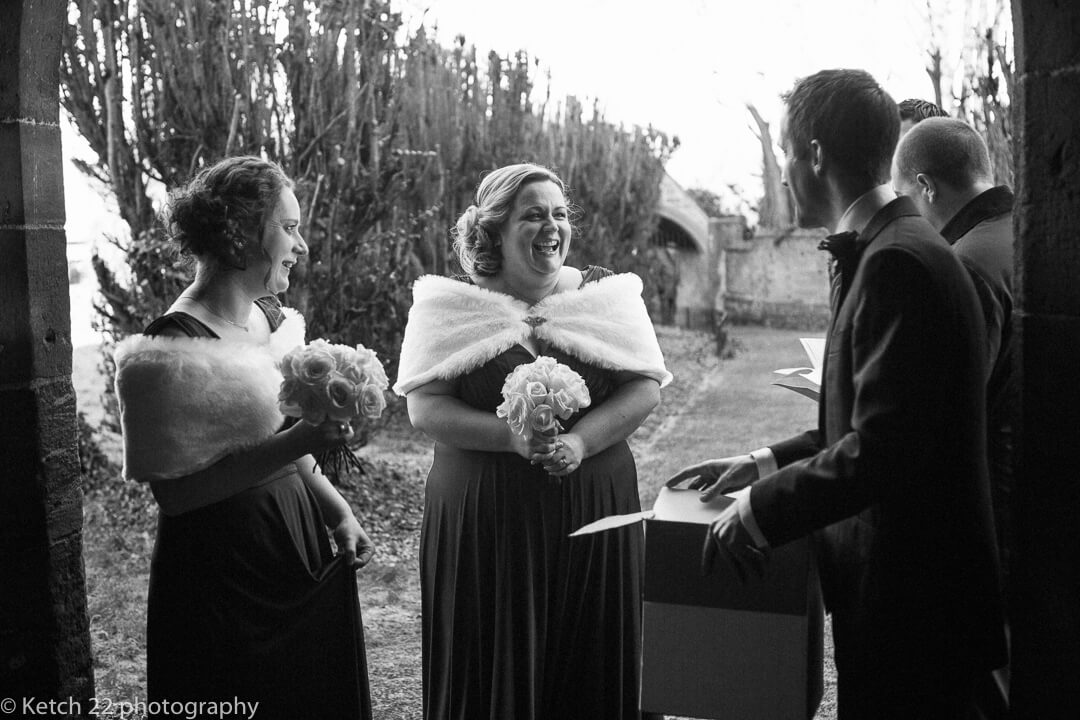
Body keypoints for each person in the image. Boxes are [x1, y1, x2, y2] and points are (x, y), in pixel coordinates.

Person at [667, 70, 1006, 718]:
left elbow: (885, 449)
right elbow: (871, 417)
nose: (786, 174)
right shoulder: (898, 246)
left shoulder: (897, 261)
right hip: (906, 606)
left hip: (916, 611)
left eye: (786, 155)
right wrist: (763, 463)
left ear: (814, 154)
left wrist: (759, 510)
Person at [394, 163, 671, 720]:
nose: (553, 227)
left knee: (589, 657)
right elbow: (425, 407)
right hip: (484, 521)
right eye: (534, 215)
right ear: (493, 230)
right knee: (488, 660)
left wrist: (582, 444)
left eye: (561, 214)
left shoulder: (605, 296)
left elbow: (645, 387)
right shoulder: (450, 307)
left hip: (593, 510)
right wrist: (510, 439)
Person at [114, 156, 375, 719]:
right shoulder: (169, 346)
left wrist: (335, 510)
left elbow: (277, 432)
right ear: (238, 235)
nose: (301, 244)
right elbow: (176, 496)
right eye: (289, 227)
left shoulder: (269, 316)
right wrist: (302, 442)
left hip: (293, 541)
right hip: (222, 570)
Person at [892, 116, 1016, 715]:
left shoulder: (965, 263)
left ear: (926, 186)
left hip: (995, 515)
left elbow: (949, 411)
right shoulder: (1028, 233)